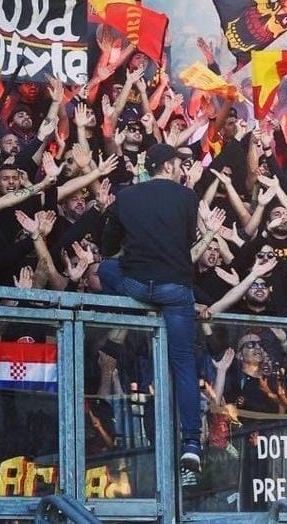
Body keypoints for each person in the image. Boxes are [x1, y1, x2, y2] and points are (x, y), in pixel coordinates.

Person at [98, 143, 203, 473]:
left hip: (137, 285)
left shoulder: (126, 196)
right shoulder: (187, 197)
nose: (181, 170)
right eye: (178, 165)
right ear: (169, 166)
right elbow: (187, 240)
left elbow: (107, 248)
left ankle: (137, 310)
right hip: (175, 289)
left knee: (105, 269)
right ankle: (192, 443)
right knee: (183, 363)